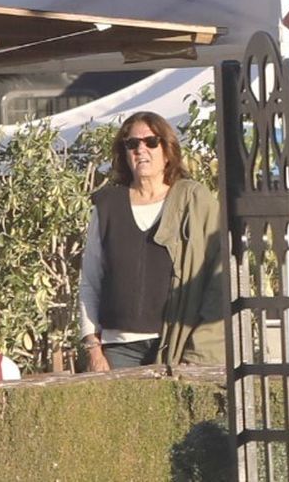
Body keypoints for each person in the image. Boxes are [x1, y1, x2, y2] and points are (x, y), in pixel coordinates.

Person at [78, 112, 225, 371]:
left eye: (151, 142)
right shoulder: (107, 205)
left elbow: (218, 278)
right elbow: (91, 280)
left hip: (176, 343)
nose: (141, 149)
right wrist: (93, 347)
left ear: (167, 150)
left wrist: (199, 349)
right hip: (119, 349)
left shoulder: (193, 201)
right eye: (132, 143)